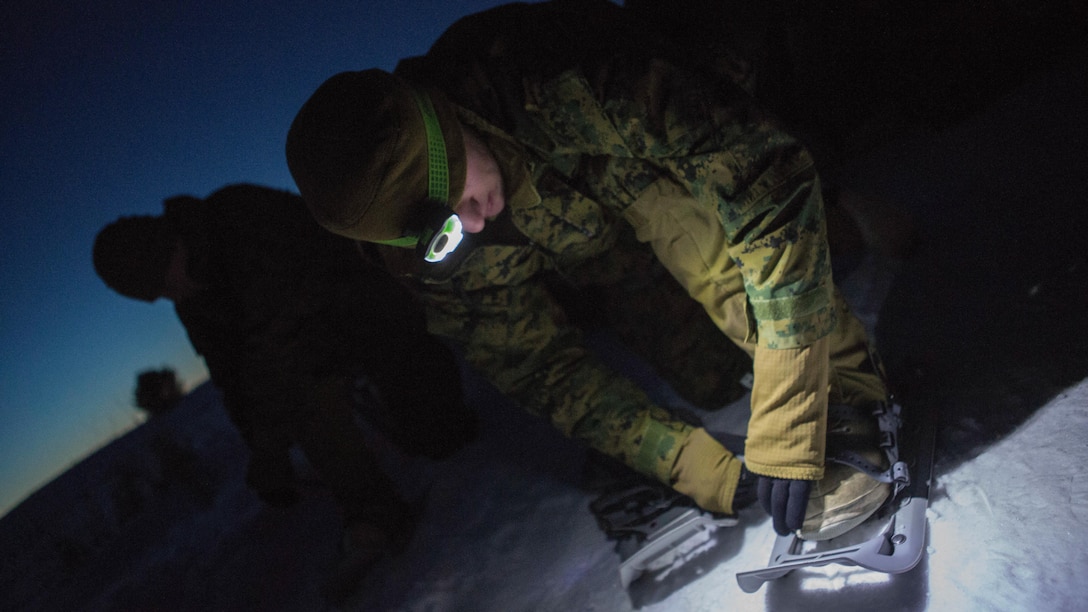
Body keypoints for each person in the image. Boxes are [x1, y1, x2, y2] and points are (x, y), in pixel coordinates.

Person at [284, 0, 894, 541]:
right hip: (606, 249)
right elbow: (538, 368)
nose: (468, 225)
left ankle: (849, 384)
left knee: (716, 249)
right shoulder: (433, 262)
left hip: (685, 142)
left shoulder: (549, 73)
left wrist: (795, 392)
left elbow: (756, 167)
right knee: (711, 378)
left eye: (455, 195)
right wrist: (680, 461)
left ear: (450, 128)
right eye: (438, 233)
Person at [93, 184, 476, 596]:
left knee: (443, 437)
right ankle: (373, 514)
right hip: (315, 348)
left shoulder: (234, 216)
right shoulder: (192, 299)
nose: (170, 297)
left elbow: (273, 332)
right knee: (298, 393)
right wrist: (260, 451)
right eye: (157, 296)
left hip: (367, 302)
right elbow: (231, 376)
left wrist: (270, 449)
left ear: (168, 247)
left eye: (164, 283)